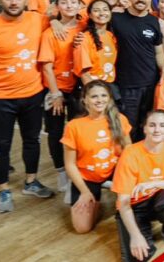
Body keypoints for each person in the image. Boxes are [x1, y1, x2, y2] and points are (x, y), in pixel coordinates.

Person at [0, 0, 57, 213]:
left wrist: (56, 21)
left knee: (32, 140)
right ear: (0, 0)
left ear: (25, 0)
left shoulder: (37, 20)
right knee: (0, 145)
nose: (14, 2)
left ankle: (31, 182)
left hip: (32, 95)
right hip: (0, 98)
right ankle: (3, 189)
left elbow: (55, 19)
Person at [113, 110, 164, 261]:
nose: (157, 130)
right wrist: (135, 236)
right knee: (138, 257)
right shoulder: (130, 154)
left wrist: (152, 184)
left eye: (162, 125)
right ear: (145, 128)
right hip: (133, 207)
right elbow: (123, 202)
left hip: (157, 201)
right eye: (152, 125)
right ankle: (142, 227)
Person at [61, 80, 131, 233]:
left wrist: (126, 186)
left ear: (109, 98)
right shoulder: (73, 126)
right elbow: (70, 164)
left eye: (103, 95)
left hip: (115, 171)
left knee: (133, 205)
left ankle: (112, 191)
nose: (100, 100)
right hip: (88, 175)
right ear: (84, 100)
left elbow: (129, 151)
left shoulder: (120, 119)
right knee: (82, 228)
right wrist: (85, 192)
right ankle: (94, 196)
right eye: (94, 96)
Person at [111, 0, 164, 140]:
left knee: (146, 127)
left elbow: (158, 52)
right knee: (128, 128)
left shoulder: (154, 22)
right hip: (126, 85)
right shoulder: (115, 19)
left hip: (150, 84)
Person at [39, 0, 82, 194]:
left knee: (76, 131)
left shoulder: (84, 27)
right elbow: (47, 67)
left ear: (79, 5)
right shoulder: (49, 33)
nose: (69, 5)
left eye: (73, 2)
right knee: (55, 131)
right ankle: (61, 172)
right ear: (57, 7)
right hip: (55, 88)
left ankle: (77, 169)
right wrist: (55, 94)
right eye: (64, 2)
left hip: (77, 89)